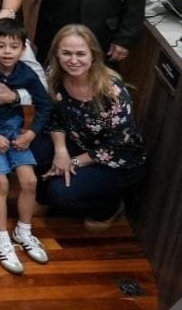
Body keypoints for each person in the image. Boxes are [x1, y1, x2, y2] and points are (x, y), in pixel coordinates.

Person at [39, 25, 146, 230]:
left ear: (94, 56)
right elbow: (55, 117)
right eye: (66, 53)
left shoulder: (113, 93)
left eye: (81, 53)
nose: (73, 60)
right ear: (57, 55)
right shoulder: (54, 75)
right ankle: (44, 196)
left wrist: (73, 162)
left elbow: (114, 147)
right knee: (35, 151)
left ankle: (108, 207)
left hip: (117, 162)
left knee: (61, 193)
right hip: (78, 141)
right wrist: (60, 152)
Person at [0, 18, 53, 274]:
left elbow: (45, 104)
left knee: (29, 182)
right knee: (1, 182)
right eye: (1, 45)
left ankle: (24, 231)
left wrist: (30, 134)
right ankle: (1, 237)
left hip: (16, 133)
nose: (7, 51)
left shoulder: (26, 73)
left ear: (23, 47)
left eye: (13, 46)